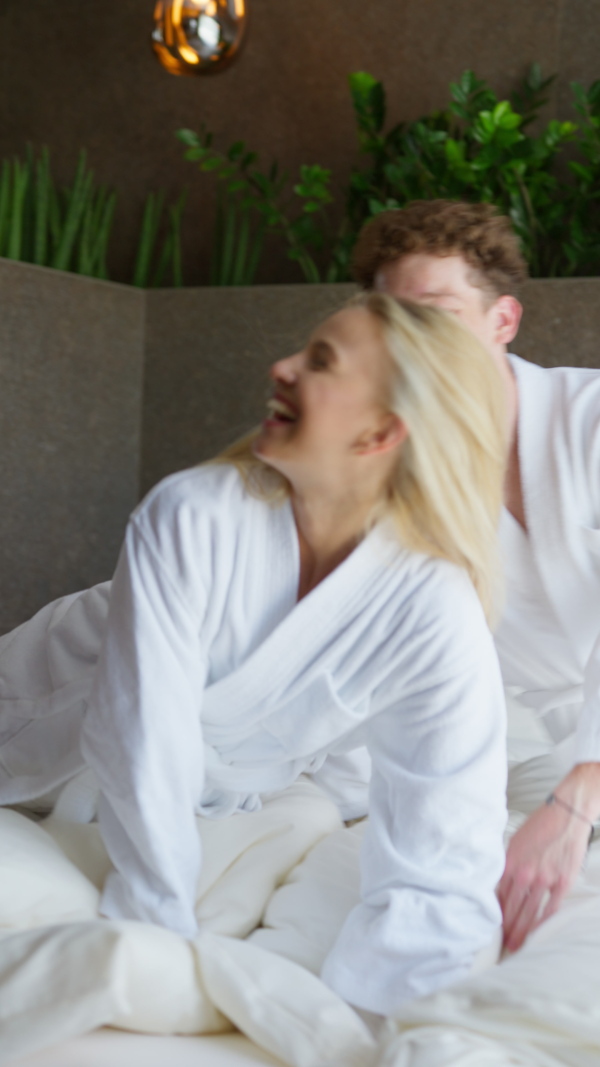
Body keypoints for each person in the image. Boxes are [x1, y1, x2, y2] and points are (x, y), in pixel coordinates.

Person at [0, 293, 508, 1017]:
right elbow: (142, 738)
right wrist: (161, 935)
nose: (282, 366)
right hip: (33, 721)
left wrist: (402, 1020)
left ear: (382, 432)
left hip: (199, 791)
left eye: (320, 362)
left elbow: (447, 823)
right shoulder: (195, 514)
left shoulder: (433, 606)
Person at [353, 198, 600, 954]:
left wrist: (574, 803)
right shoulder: (393, 466)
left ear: (504, 320)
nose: (412, 340)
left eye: (438, 310)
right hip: (541, 735)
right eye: (391, 316)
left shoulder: (590, 419)